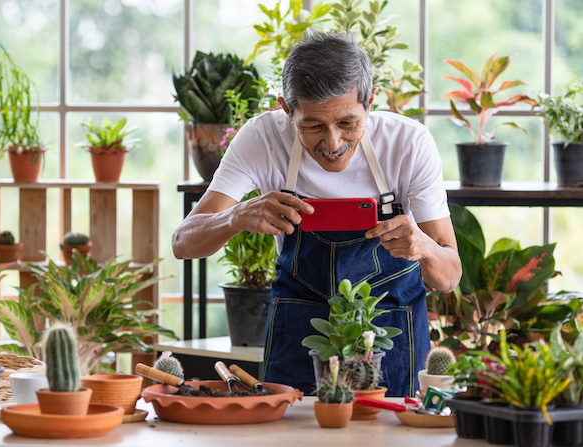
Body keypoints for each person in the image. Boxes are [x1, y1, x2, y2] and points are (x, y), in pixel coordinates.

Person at [172, 30, 462, 397]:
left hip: (390, 331)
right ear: (285, 108)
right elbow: (183, 242)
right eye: (312, 125)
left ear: (370, 102)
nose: (332, 143)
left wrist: (422, 246)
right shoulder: (262, 139)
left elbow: (449, 276)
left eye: (347, 123)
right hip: (300, 329)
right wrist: (237, 217)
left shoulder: (408, 144)